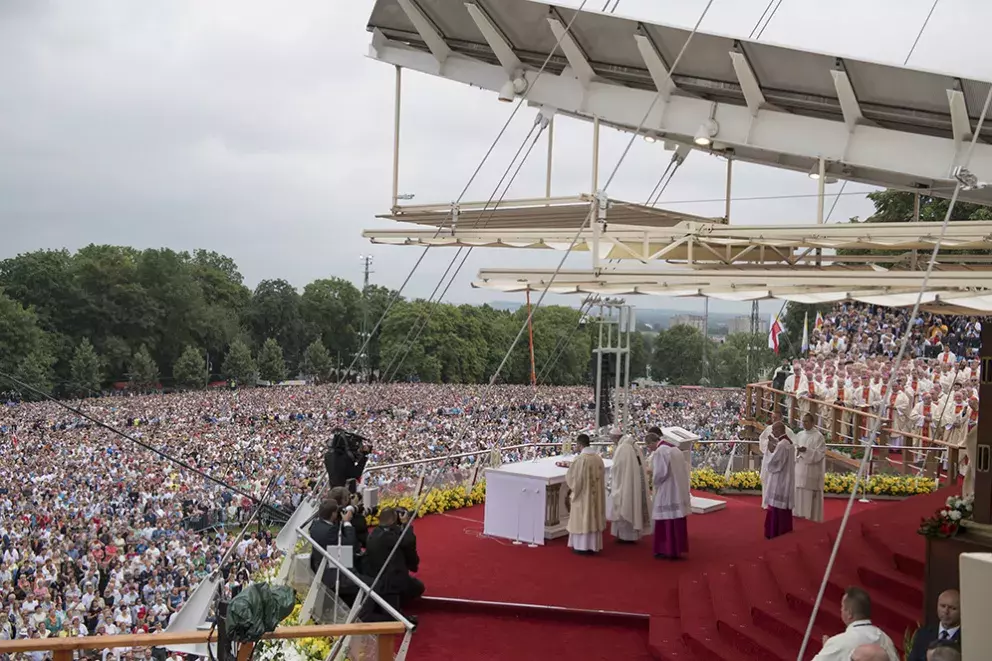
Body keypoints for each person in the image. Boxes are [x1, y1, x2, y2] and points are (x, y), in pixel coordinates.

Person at [364, 507, 423, 623]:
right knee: (417, 588)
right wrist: (406, 524)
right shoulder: (388, 537)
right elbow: (408, 541)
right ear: (392, 520)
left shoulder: (373, 533)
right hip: (390, 582)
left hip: (376, 577)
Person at [812, 587, 899, 661]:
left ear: (849, 613)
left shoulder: (838, 643)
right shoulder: (886, 640)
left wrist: (828, 648)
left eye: (842, 607)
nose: (841, 610)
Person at [308, 500, 365, 605]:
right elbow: (350, 545)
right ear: (333, 514)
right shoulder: (330, 531)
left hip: (325, 565)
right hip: (335, 574)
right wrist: (347, 522)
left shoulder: (315, 525)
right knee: (371, 585)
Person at [650, 431, 691, 559]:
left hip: (667, 489)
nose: (649, 449)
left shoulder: (660, 451)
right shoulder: (675, 449)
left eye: (648, 446)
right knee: (676, 518)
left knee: (666, 518)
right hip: (678, 490)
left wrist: (654, 481)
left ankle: (666, 549)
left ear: (652, 443)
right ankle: (677, 548)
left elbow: (660, 473)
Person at [565, 433, 607, 555]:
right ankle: (592, 545)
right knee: (593, 516)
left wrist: (572, 491)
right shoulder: (598, 458)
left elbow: (575, 480)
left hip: (583, 497)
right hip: (595, 497)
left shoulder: (580, 460)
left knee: (583, 517)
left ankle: (581, 546)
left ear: (580, 444)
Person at [609, 434, 650, 544]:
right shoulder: (633, 445)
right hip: (634, 482)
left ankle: (625, 536)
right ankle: (631, 536)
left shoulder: (623, 448)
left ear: (616, 438)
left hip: (625, 483)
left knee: (624, 505)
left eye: (613, 439)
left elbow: (616, 467)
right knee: (633, 505)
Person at [763, 420, 796, 540]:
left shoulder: (782, 445)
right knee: (782, 508)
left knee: (777, 506)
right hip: (786, 477)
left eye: (774, 430)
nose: (772, 432)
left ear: (779, 430)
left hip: (779, 479)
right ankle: (784, 529)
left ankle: (775, 531)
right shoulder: (788, 442)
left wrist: (770, 451)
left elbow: (775, 463)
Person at [908, 589, 961, 661]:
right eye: (943, 606)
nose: (946, 611)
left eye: (952, 608)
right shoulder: (923, 634)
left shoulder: (967, 638)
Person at [793, 413, 826, 523]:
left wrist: (806, 451)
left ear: (812, 423)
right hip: (799, 469)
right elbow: (794, 448)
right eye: (803, 421)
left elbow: (820, 453)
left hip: (811, 471)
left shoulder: (818, 437)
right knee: (798, 492)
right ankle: (798, 514)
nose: (804, 423)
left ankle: (810, 517)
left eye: (807, 421)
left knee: (809, 495)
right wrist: (798, 450)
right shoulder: (799, 435)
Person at [758, 413, 790, 509]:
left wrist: (775, 444)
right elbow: (762, 440)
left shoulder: (788, 431)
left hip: (780, 462)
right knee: (767, 480)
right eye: (772, 418)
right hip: (768, 458)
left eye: (776, 418)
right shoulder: (768, 429)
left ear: (781, 418)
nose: (773, 419)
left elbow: (790, 445)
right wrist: (768, 443)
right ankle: (766, 503)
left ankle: (776, 504)